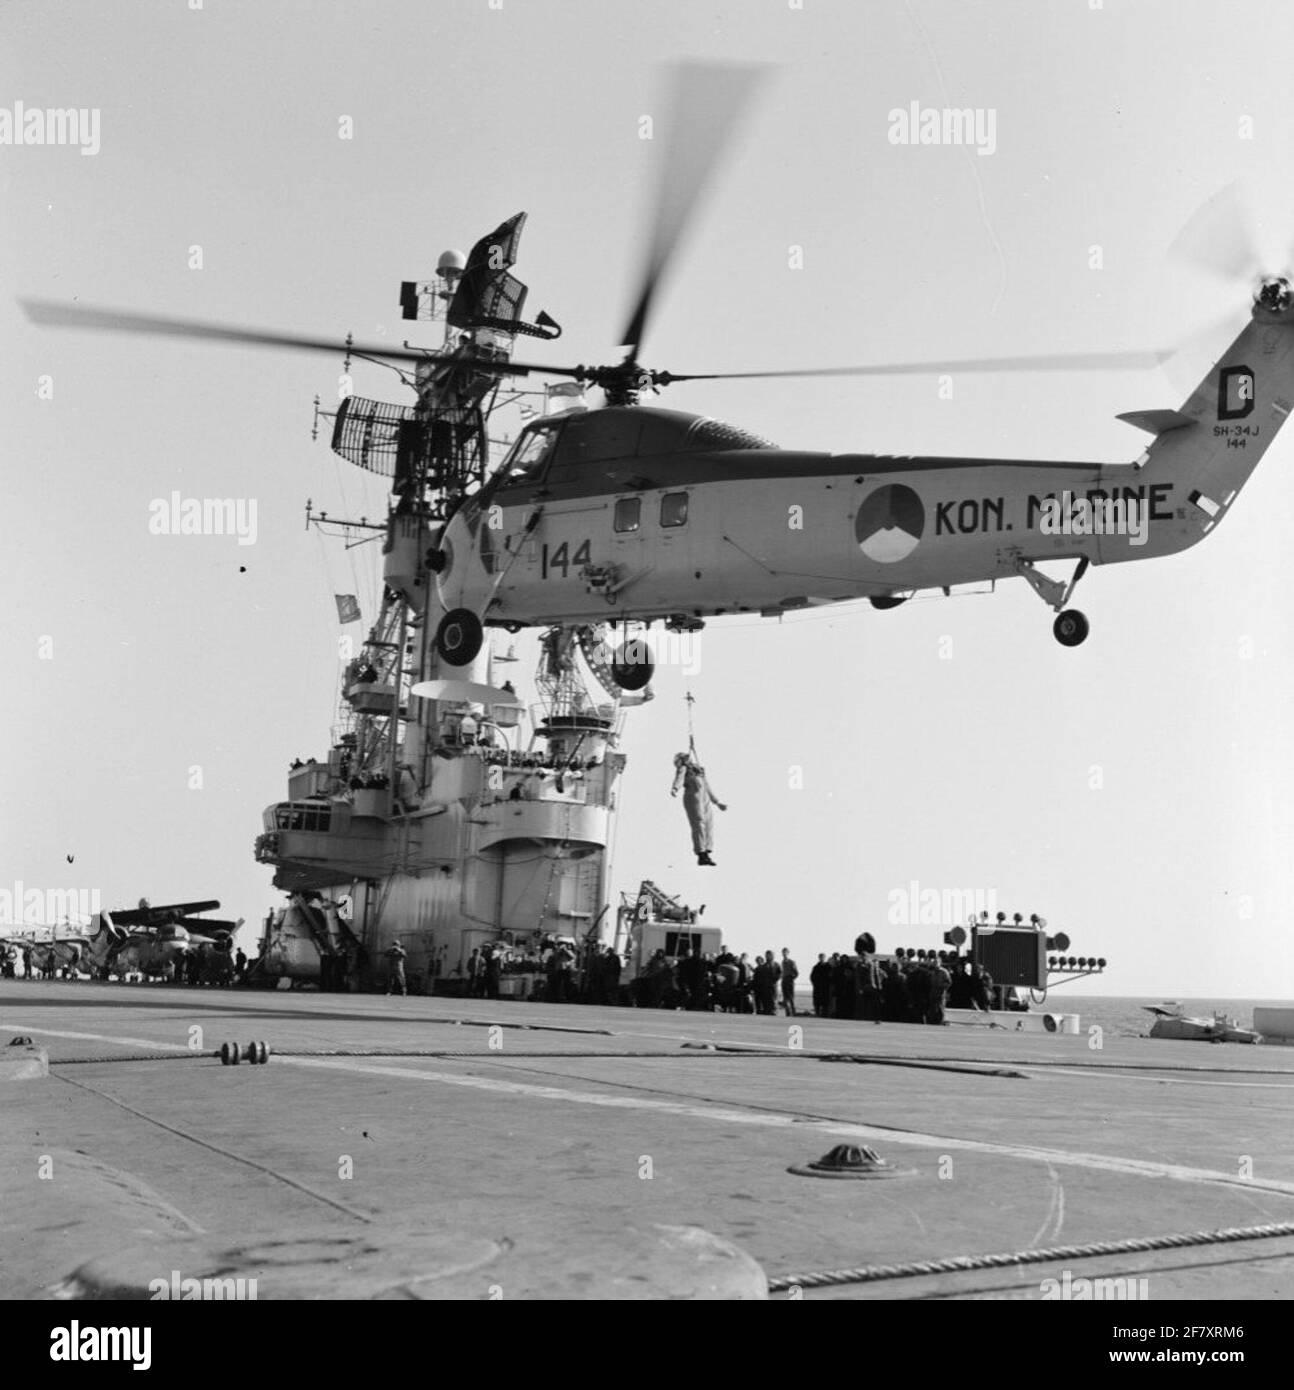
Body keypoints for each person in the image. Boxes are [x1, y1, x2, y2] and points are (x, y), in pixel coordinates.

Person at [670, 752, 727, 866]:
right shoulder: (684, 769)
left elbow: (707, 786)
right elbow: (679, 778)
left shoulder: (699, 771)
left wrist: (717, 802)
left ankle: (707, 850)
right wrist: (675, 788)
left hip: (704, 798)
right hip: (693, 796)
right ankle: (701, 853)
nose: (689, 759)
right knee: (699, 823)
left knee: (708, 823)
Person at [779, 948, 799, 1016]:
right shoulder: (783, 962)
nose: (784, 954)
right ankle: (788, 1012)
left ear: (788, 953)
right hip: (784, 980)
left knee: (791, 998)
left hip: (789, 981)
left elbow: (796, 973)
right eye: (783, 952)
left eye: (785, 952)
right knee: (785, 998)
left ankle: (793, 1012)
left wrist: (791, 978)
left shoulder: (791, 962)